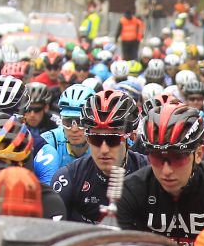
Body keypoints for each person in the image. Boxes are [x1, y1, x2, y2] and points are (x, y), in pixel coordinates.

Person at [119, 103, 204, 246]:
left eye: (177, 158)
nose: (166, 170)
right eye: (156, 157)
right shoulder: (132, 189)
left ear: (198, 154)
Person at [55, 89, 147, 224]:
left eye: (112, 140)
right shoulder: (70, 177)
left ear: (131, 138)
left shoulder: (148, 173)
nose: (104, 150)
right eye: (95, 139)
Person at [32, 84, 92, 184]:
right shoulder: (47, 142)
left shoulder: (105, 142)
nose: (74, 129)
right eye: (68, 122)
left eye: (81, 122)